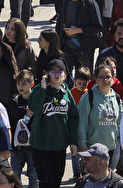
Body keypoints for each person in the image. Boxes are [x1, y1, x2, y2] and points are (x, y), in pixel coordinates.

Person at [27, 59, 79, 188]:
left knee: (56, 183)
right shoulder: (39, 89)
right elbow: (34, 108)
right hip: (41, 146)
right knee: (46, 184)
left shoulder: (66, 91)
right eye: (53, 71)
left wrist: (73, 141)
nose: (57, 74)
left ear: (65, 75)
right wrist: (43, 88)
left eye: (60, 71)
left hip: (59, 146)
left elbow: (73, 117)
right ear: (47, 74)